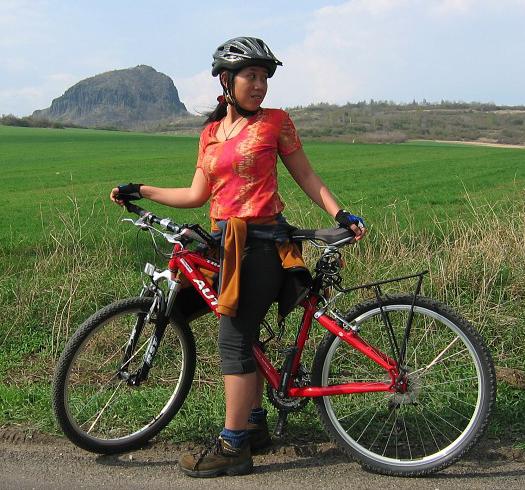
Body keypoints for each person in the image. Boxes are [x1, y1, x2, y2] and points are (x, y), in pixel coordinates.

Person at [111, 36, 366, 478]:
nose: (260, 85)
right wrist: (142, 190)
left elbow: (306, 174)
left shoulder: (275, 123)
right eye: (252, 76)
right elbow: (197, 194)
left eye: (265, 77)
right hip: (225, 244)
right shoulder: (210, 134)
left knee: (233, 342)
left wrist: (340, 213)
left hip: (262, 246)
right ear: (226, 81)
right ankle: (253, 425)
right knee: (246, 337)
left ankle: (233, 447)